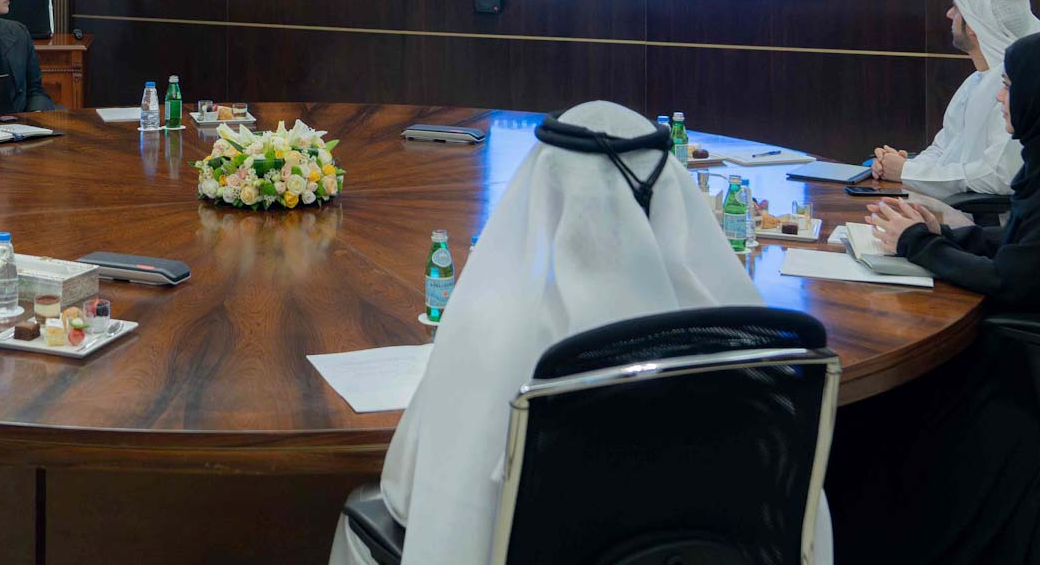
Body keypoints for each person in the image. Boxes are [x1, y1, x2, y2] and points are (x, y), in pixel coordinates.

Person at [331, 100, 832, 565]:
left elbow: (411, 499)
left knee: (360, 517)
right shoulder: (742, 336)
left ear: (542, 188)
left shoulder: (492, 334)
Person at [832, 29, 1040, 563]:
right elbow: (1028, 250)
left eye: (1010, 86)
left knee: (906, 401)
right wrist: (946, 235)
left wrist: (917, 243)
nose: (1001, 97)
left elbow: (1012, 281)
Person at [870, 0, 1040, 225]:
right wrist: (902, 164)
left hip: (983, 230)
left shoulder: (1015, 89)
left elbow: (998, 176)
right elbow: (943, 147)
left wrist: (908, 171)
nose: (949, 15)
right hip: (943, 213)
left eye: (956, 9)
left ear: (973, 25)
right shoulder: (975, 80)